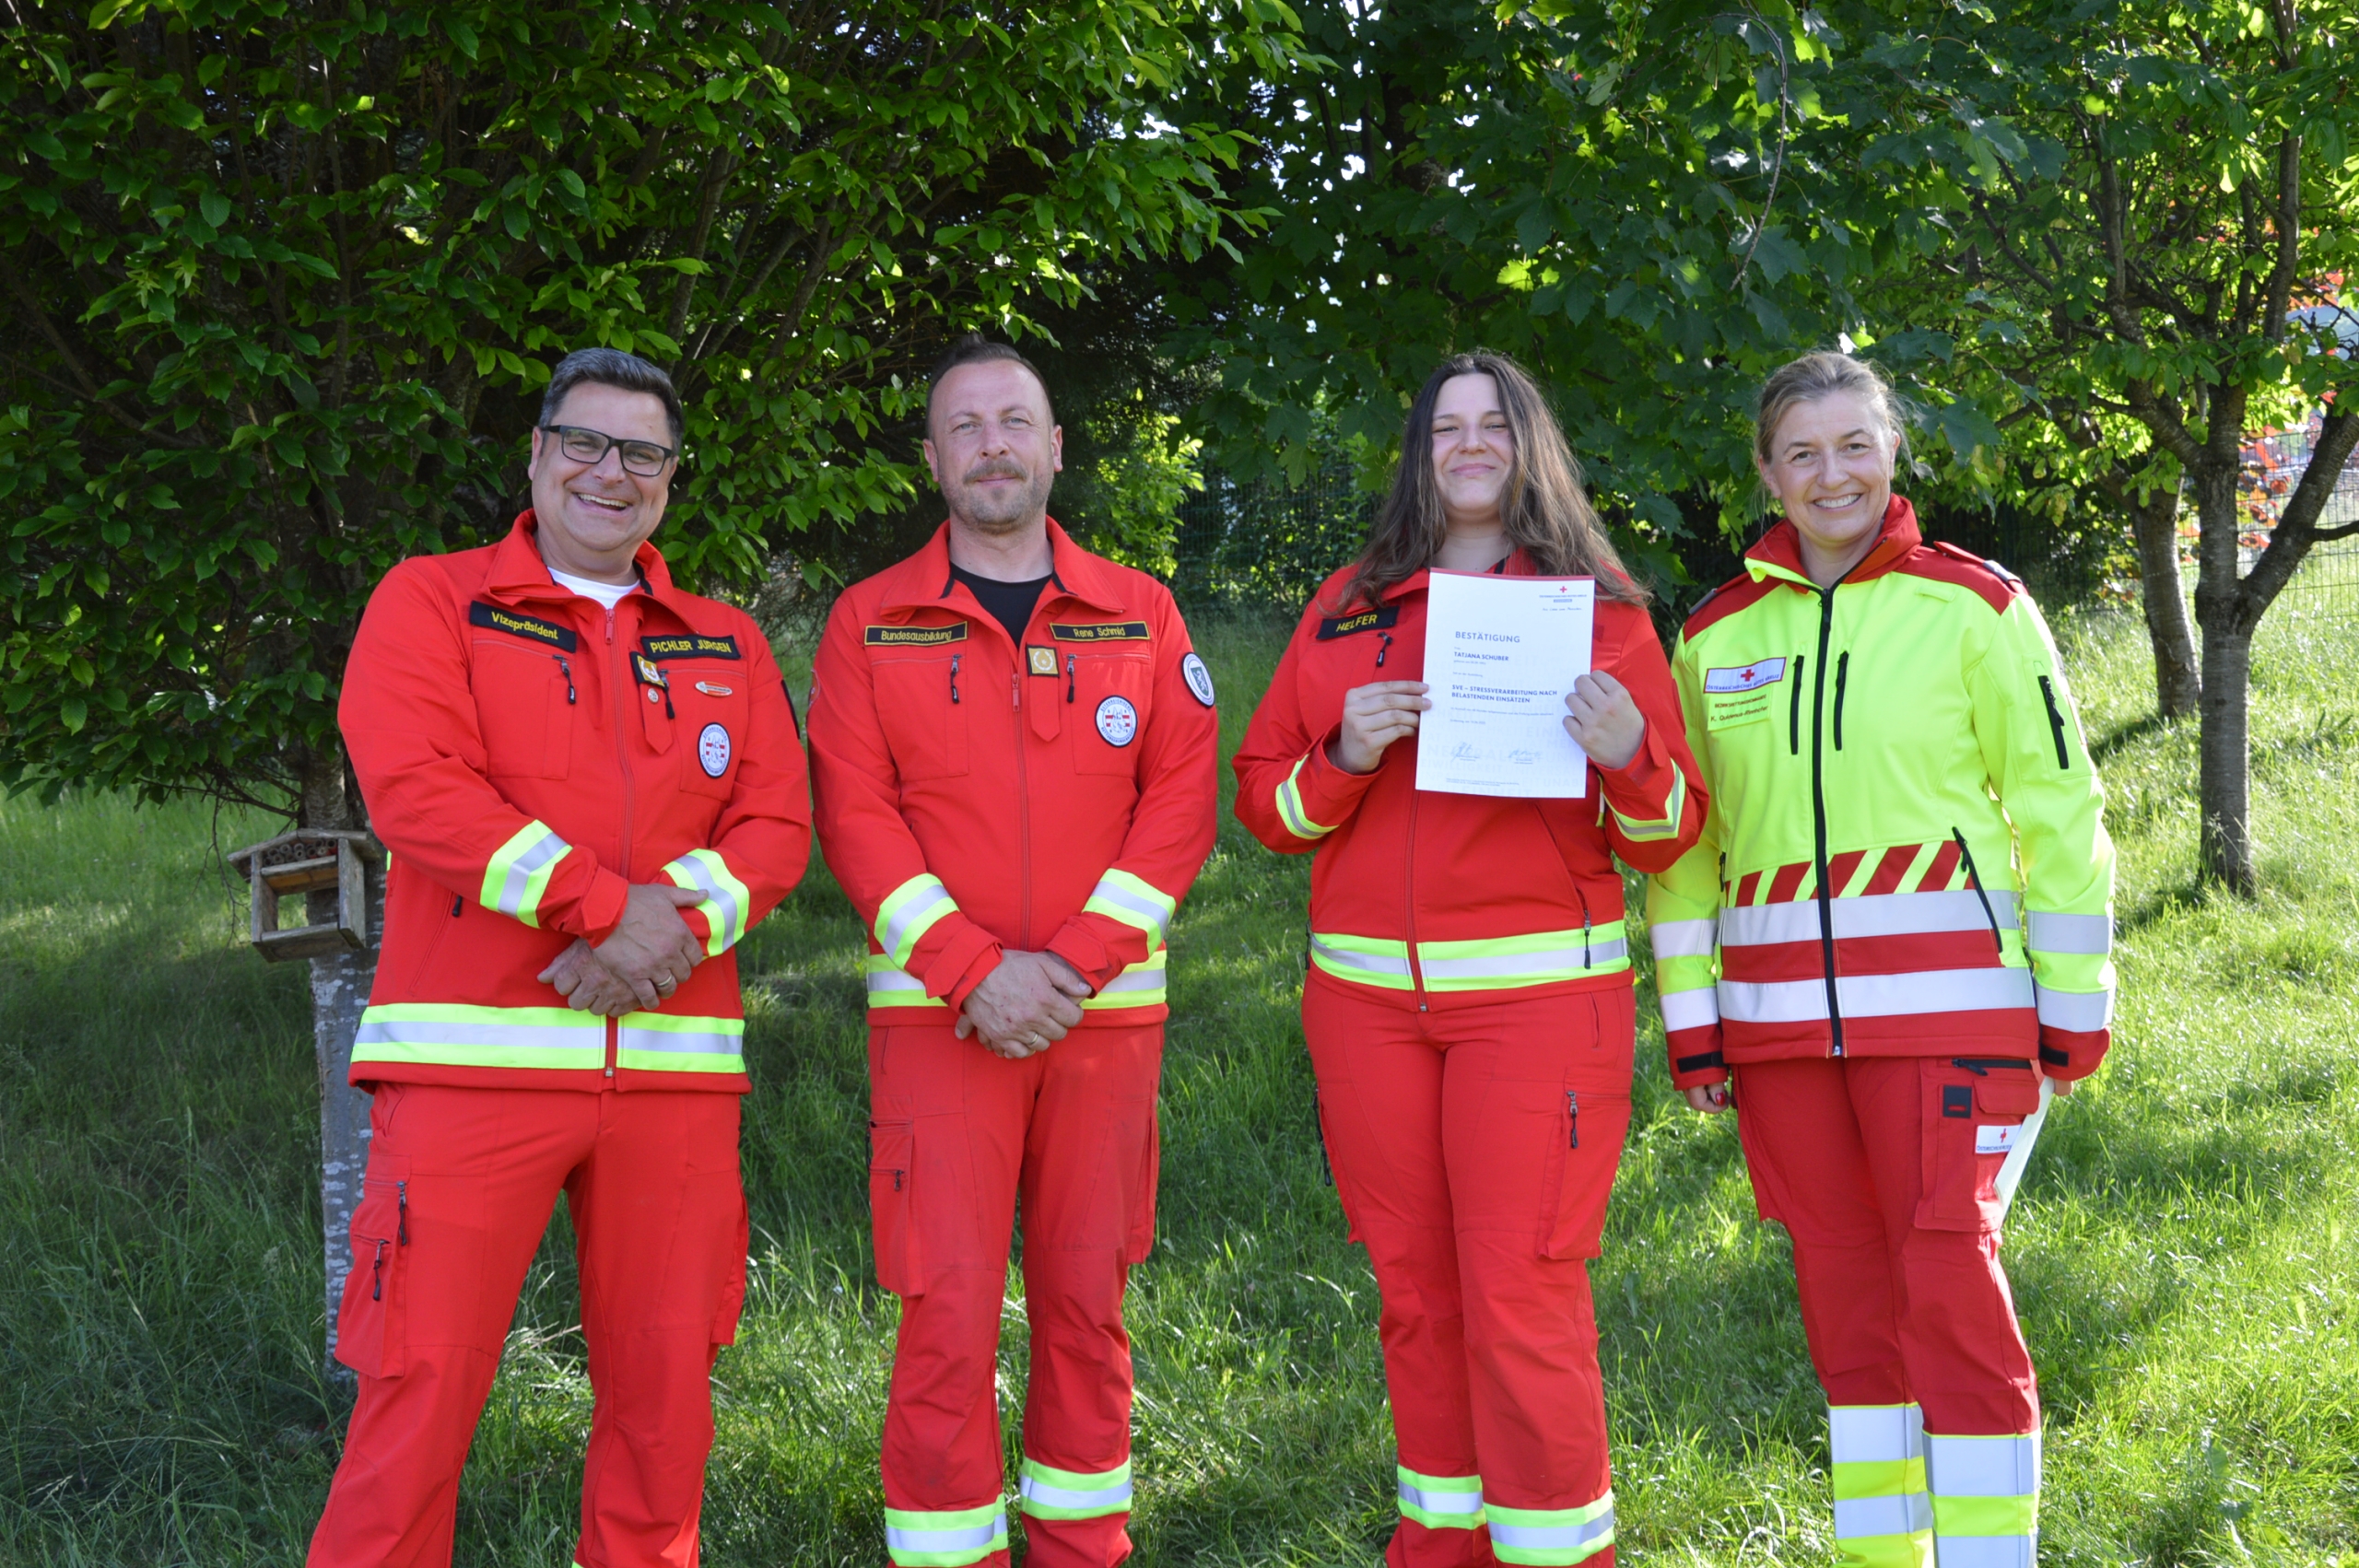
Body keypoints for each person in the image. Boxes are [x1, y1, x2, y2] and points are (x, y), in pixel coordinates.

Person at [310, 347, 811, 1568]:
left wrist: (663, 930)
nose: (610, 471)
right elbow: (416, 787)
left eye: (642, 452)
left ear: (670, 478)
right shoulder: (434, 600)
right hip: (470, 1075)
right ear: (535, 454)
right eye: (584, 441)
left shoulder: (726, 641)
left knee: (663, 1409)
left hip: (674, 1081)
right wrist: (600, 908)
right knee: (417, 1397)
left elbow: (777, 826)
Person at [1232, 352, 1706, 1568]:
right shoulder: (1348, 606)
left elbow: (1670, 832)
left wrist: (1628, 753)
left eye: (1494, 423)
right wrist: (1342, 755)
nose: (1471, 444)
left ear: (1529, 444)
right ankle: (1439, 1547)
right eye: (1447, 427)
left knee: (1520, 1296)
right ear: (1420, 453)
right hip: (1368, 1012)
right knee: (1416, 1295)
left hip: (1537, 1007)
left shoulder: (1602, 610)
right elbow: (1268, 807)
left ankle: (1557, 1553)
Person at [1648, 350, 2115, 1567]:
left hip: (1953, 1018)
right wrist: (1694, 1024)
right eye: (1802, 453)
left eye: (1854, 444)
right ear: (1766, 474)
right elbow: (1690, 851)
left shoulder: (1977, 606)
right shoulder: (1712, 635)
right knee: (1847, 1309)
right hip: (1781, 1038)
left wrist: (2074, 1005)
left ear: (1894, 449)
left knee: (1949, 1285)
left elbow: (2060, 810)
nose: (1832, 474)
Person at [806, 335, 1220, 1568]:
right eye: (966, 426)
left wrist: (1076, 964)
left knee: (1087, 1306)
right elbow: (856, 817)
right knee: (944, 1311)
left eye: (1014, 422)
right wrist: (975, 970)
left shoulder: (1143, 611)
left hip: (1105, 1025)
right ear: (934, 460)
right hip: (941, 1024)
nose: (993, 446)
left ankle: (1083, 1550)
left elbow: (1179, 805)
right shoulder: (868, 621)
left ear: (1055, 447)